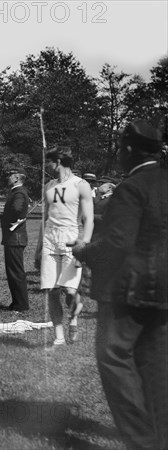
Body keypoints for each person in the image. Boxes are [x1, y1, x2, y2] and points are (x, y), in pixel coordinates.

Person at [70, 120, 167, 450]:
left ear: (128, 150)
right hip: (164, 294)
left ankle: (143, 443)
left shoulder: (132, 187)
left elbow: (117, 243)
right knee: (153, 365)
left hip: (130, 292)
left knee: (113, 358)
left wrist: (84, 251)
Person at [36, 146, 93, 348]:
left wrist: (83, 245)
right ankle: (59, 338)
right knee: (51, 290)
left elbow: (88, 219)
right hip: (50, 239)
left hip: (71, 238)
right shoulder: (49, 186)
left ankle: (74, 316)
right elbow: (45, 218)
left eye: (49, 162)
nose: (47, 166)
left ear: (58, 162)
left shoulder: (81, 185)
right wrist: (38, 247)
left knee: (69, 291)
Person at [0, 168, 30, 312]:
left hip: (15, 237)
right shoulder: (15, 191)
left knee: (16, 272)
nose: (7, 177)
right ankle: (16, 303)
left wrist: (4, 216)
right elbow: (14, 212)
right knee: (12, 272)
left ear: (16, 178)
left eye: (10, 175)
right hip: (13, 238)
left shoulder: (19, 192)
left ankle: (21, 305)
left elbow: (16, 211)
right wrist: (2, 216)